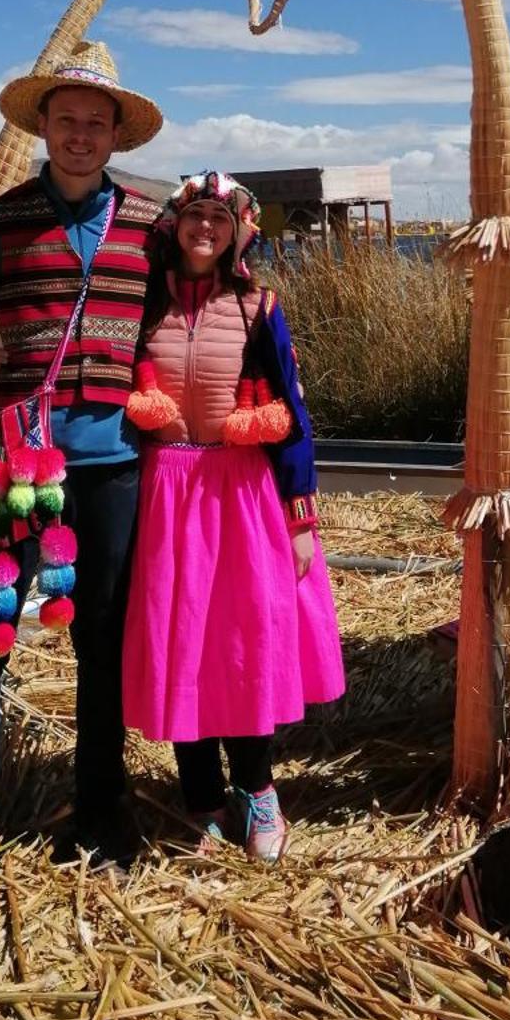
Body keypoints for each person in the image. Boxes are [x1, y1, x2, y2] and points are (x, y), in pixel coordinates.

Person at [0, 42, 162, 885]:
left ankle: (100, 812)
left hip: (115, 466)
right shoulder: (1, 223)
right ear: (44, 128)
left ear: (115, 135)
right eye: (67, 121)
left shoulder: (149, 229)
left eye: (96, 123)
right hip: (12, 464)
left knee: (101, 641)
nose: (81, 135)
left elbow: (173, 339)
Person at [121, 171, 345, 861]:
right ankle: (203, 800)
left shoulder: (259, 307)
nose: (206, 229)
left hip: (241, 491)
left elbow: (293, 412)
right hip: (169, 491)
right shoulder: (144, 306)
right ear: (175, 226)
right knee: (184, 639)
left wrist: (300, 517)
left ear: (239, 232)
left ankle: (258, 791)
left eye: (220, 218)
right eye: (195, 217)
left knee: (244, 641)